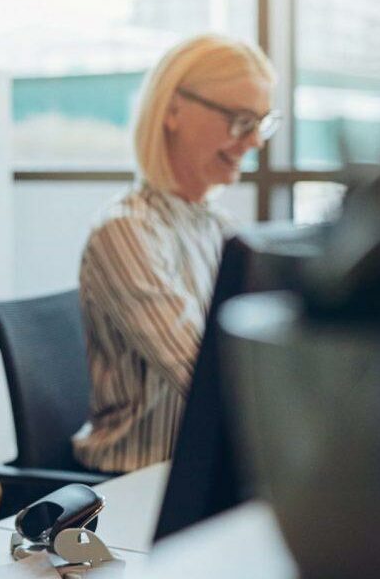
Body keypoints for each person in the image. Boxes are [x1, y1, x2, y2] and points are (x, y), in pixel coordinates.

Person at [72, 35, 278, 473]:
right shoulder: (127, 230)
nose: (256, 141)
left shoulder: (220, 228)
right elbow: (206, 377)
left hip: (207, 469)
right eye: (242, 121)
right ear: (173, 110)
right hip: (139, 478)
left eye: (262, 122)